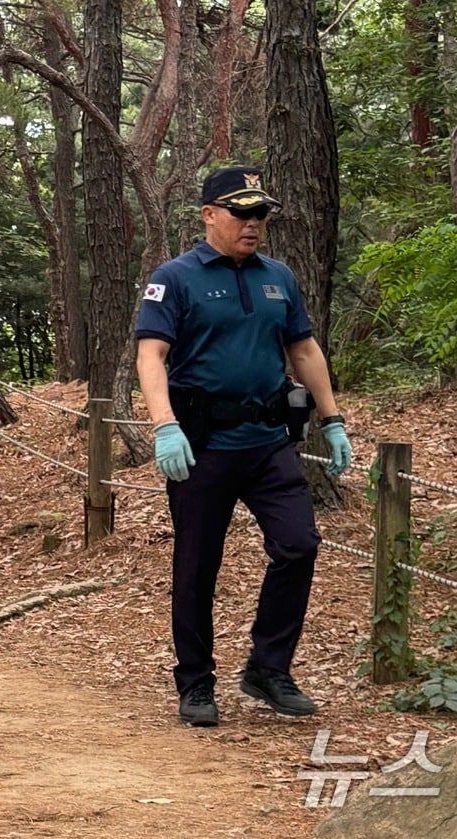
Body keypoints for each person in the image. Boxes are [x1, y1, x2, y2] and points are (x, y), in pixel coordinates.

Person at [134, 166, 353, 727]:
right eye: (241, 212)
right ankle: (196, 683)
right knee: (197, 565)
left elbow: (303, 351)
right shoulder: (175, 278)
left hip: (268, 441)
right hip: (202, 444)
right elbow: (151, 356)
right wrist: (164, 425)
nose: (252, 224)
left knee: (299, 544)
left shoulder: (277, 276)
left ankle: (267, 669)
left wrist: (332, 420)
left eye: (260, 214)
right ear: (209, 215)